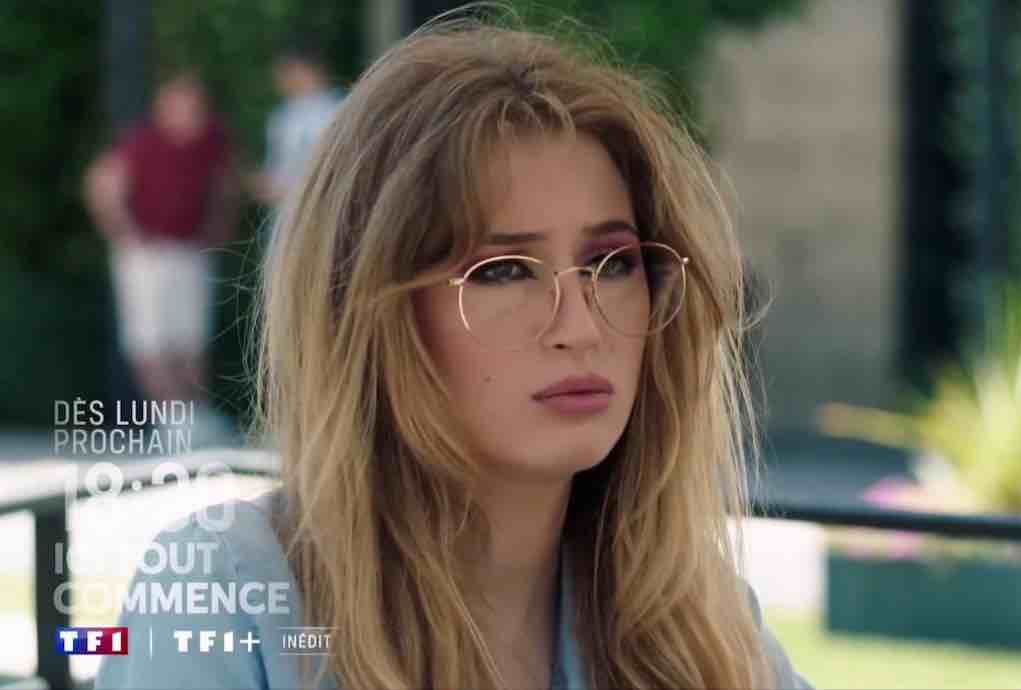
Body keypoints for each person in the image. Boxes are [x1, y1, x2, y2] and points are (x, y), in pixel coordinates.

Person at [95, 12, 812, 690]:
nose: (581, 325)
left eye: (612, 263)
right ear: (370, 314)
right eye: (504, 271)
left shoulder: (701, 625)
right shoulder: (228, 596)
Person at [83, 71, 238, 443]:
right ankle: (171, 418)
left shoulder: (212, 141)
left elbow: (224, 186)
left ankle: (196, 416)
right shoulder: (142, 142)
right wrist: (125, 233)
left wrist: (217, 227)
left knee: (191, 339)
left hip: (190, 251)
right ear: (163, 108)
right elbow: (102, 184)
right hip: (146, 255)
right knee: (150, 340)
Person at [249, 40, 343, 207]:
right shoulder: (281, 116)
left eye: (287, 72)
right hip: (287, 211)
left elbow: (336, 171)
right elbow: (277, 169)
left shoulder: (337, 110)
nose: (280, 81)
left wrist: (290, 187)